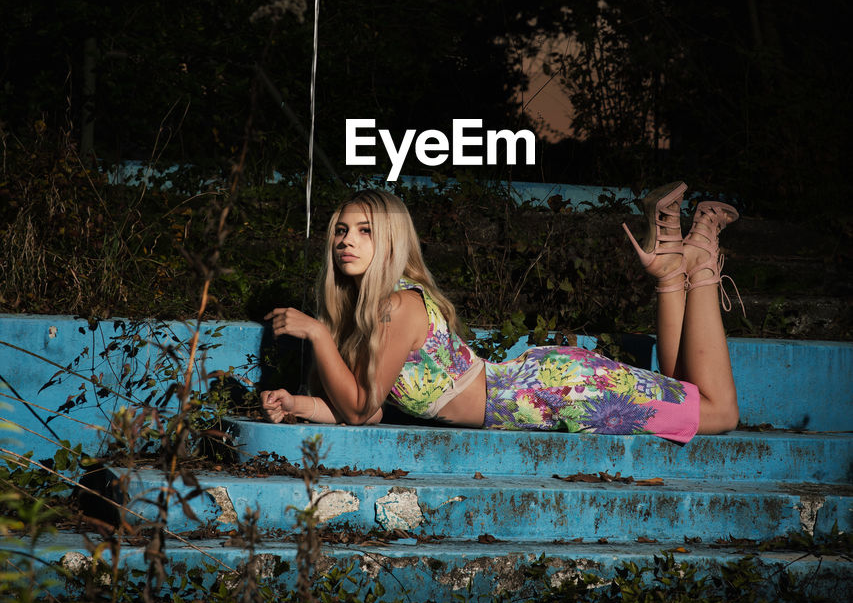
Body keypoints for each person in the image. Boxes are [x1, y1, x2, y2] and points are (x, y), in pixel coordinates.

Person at [261, 184, 740, 442]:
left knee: (719, 412)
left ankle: (698, 259)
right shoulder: (376, 313)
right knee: (687, 394)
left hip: (560, 391)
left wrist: (319, 336)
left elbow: (361, 407)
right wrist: (297, 404)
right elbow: (366, 412)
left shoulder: (399, 305)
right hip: (542, 388)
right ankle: (670, 268)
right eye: (341, 230)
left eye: (364, 230)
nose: (346, 240)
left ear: (389, 241)